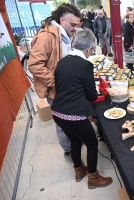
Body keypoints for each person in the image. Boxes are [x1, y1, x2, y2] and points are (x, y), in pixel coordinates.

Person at [51, 28, 113, 187]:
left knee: (75, 141)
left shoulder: (62, 62)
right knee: (92, 144)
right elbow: (92, 96)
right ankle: (93, 178)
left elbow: (64, 87)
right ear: (89, 49)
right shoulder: (85, 65)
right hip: (73, 115)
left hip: (58, 113)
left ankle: (79, 170)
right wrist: (95, 90)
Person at [28, 3, 81, 164]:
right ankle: (68, 151)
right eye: (73, 25)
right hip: (57, 89)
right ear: (62, 19)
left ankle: (75, 143)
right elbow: (34, 65)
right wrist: (56, 83)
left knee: (71, 117)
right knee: (62, 121)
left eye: (77, 25)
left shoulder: (65, 34)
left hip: (67, 88)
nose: (75, 29)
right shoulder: (46, 36)